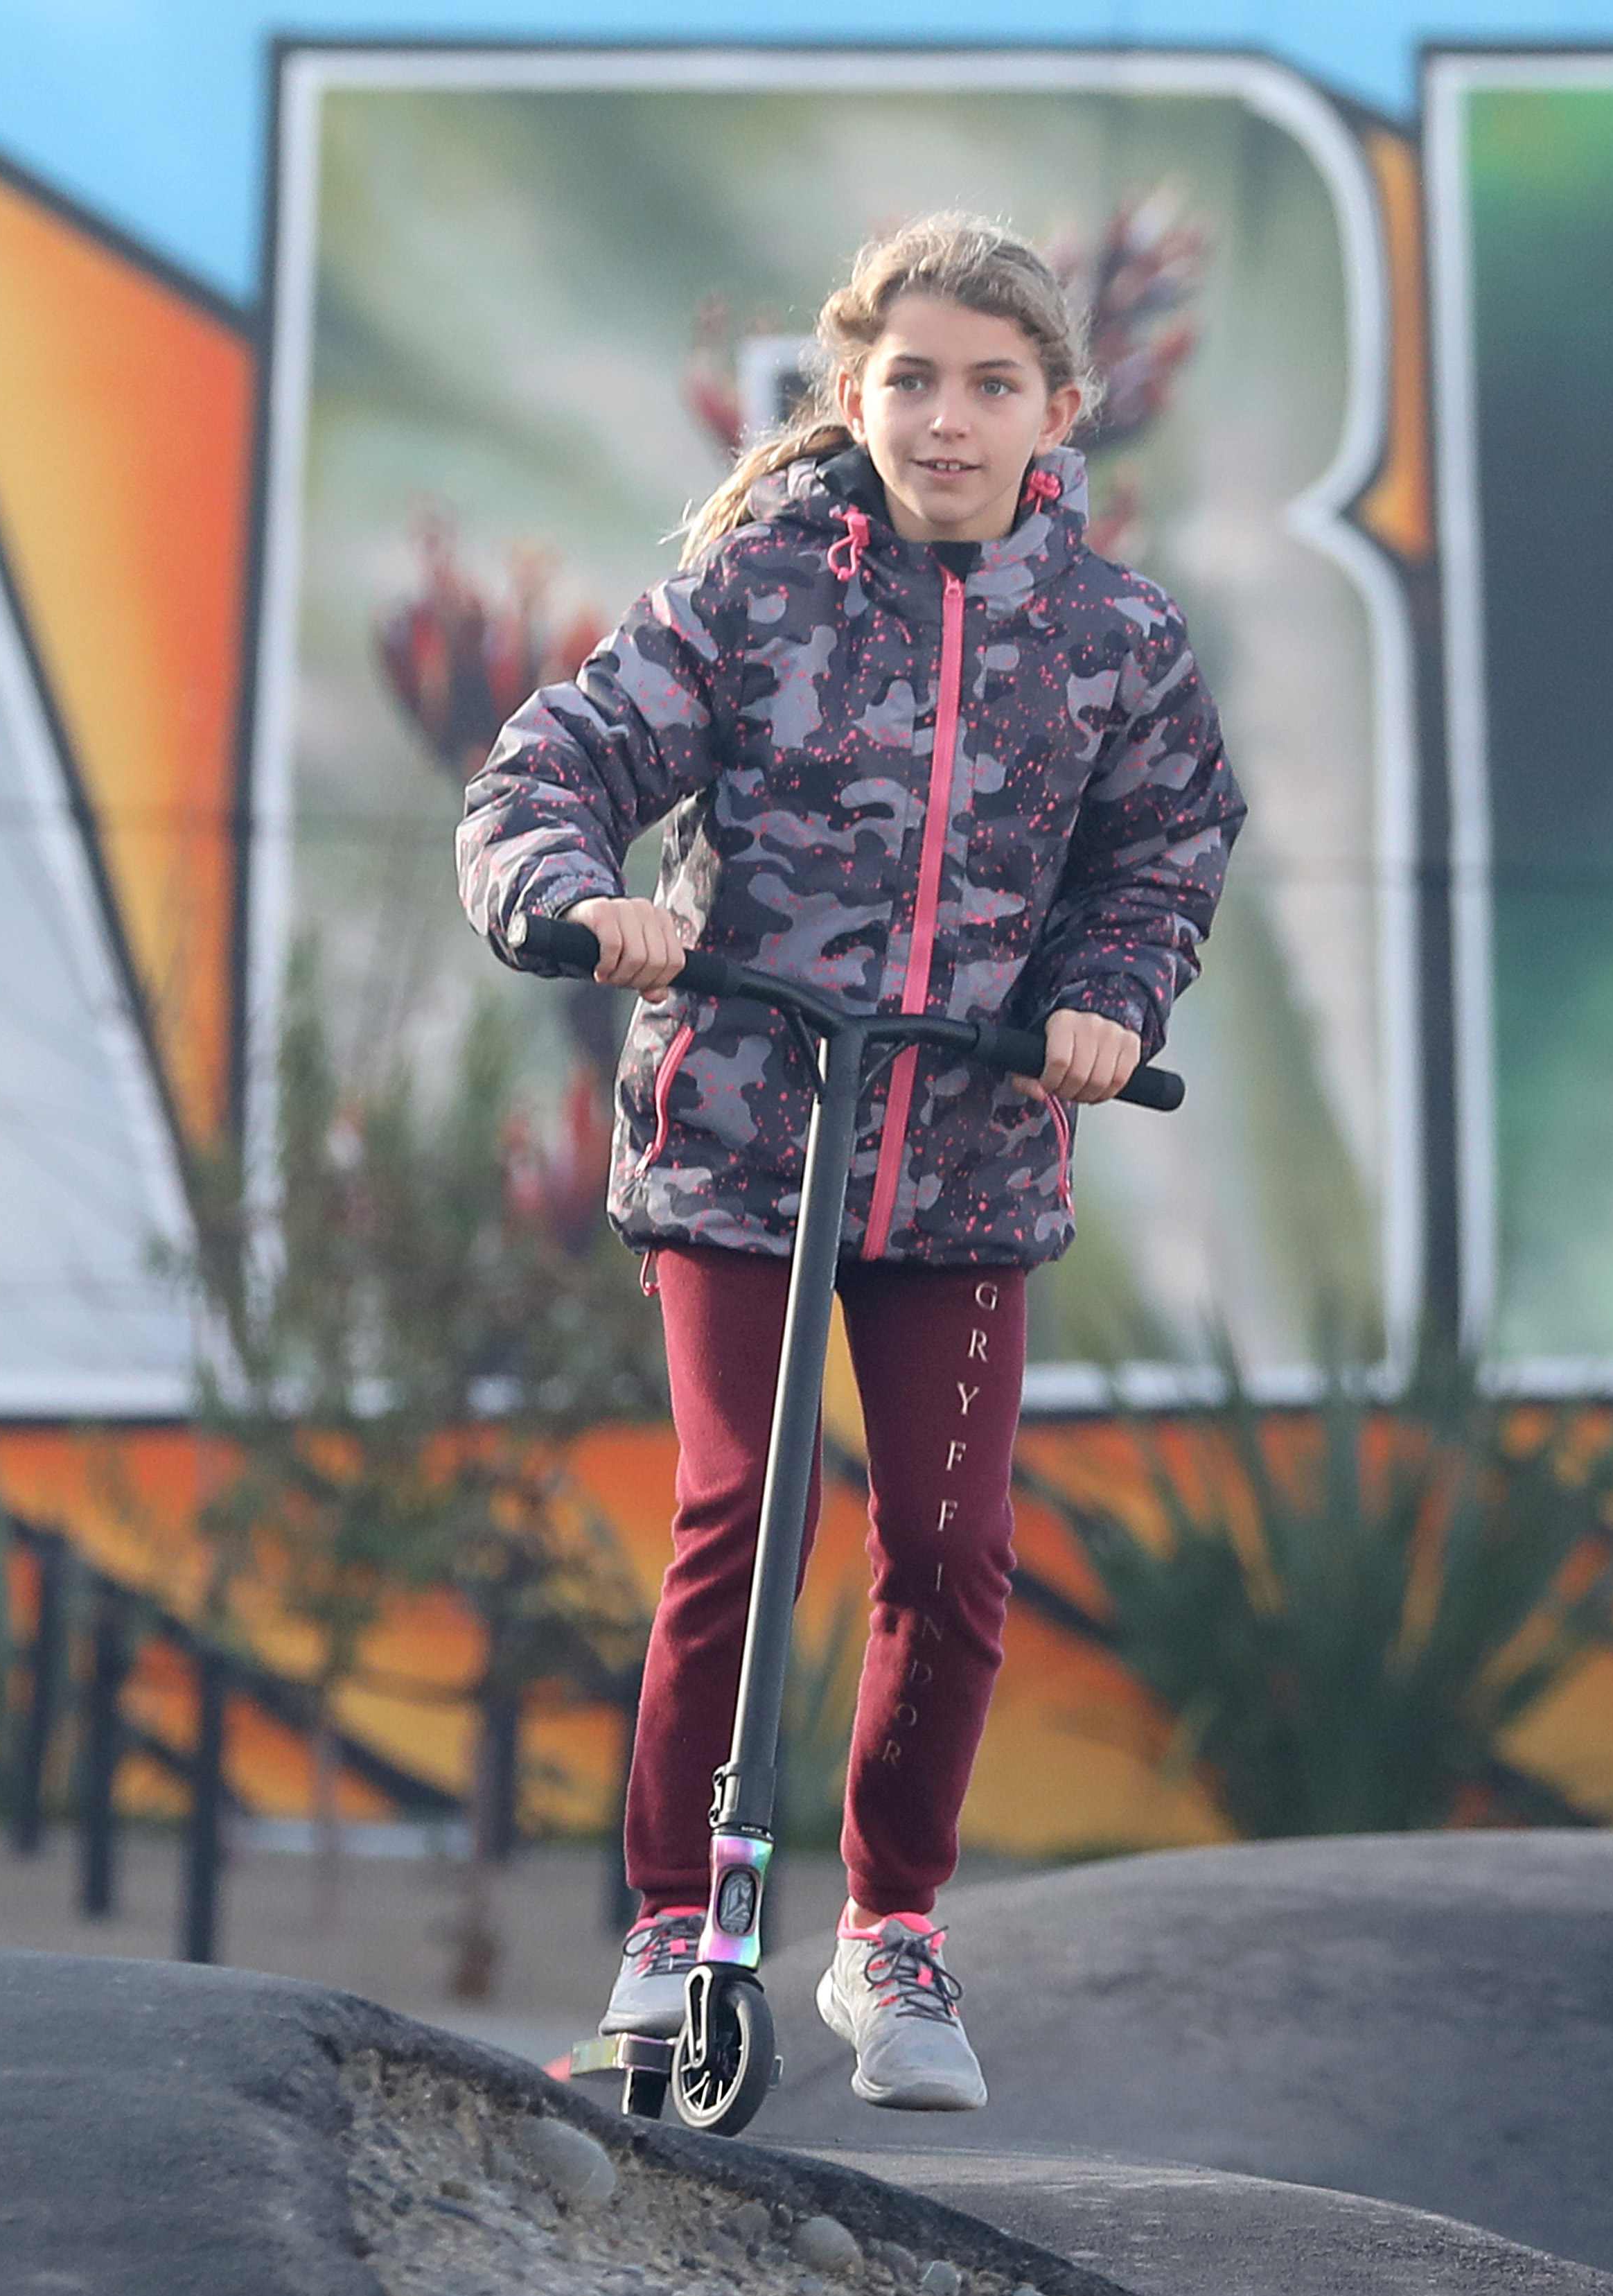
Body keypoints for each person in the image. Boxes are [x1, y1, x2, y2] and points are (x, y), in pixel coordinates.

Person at [459, 214, 1244, 2112]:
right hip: (747, 1133)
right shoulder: (754, 600)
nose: (948, 419)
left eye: (991, 385)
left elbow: (1163, 856)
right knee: (743, 1514)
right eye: (911, 382)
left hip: (969, 1149)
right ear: (851, 395)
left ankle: (892, 1928)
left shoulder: (1115, 641)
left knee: (955, 1548)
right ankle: (676, 1922)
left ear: (1062, 409)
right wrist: (579, 901)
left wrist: (1106, 999)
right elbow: (542, 776)